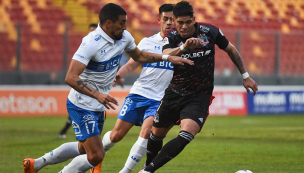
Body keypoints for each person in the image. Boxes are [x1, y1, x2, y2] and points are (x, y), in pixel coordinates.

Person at [22, 3, 193, 173]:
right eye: (121, 23)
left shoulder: (124, 37)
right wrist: (97, 94)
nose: (125, 27)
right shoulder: (91, 42)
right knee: (96, 155)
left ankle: (37, 164)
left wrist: (166, 57)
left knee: (84, 149)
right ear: (109, 23)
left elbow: (139, 56)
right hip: (81, 104)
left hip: (99, 105)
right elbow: (70, 77)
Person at [140, 1, 258, 173]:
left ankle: (147, 171)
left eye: (188, 22)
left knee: (186, 134)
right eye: (180, 22)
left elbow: (231, 50)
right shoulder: (172, 36)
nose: (184, 26)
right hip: (174, 93)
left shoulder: (210, 31)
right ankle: (148, 166)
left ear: (194, 19)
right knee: (156, 134)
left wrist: (245, 76)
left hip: (199, 95)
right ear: (174, 21)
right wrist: (184, 47)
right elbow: (166, 54)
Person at [93, 4, 174, 173]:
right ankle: (98, 156)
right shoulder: (147, 42)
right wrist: (119, 74)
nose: (169, 22)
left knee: (146, 133)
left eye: (172, 19)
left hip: (160, 99)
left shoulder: (182, 46)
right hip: (139, 94)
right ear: (159, 19)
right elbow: (131, 65)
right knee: (116, 135)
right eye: (165, 19)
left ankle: (125, 171)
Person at [57, 23, 99, 139]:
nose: (92, 32)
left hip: (96, 87)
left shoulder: (100, 48)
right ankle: (65, 131)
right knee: (79, 107)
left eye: (94, 30)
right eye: (90, 30)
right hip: (83, 84)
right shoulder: (86, 46)